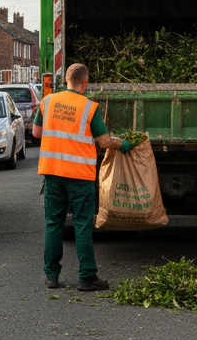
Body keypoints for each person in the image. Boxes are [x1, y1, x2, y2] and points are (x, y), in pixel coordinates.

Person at [32, 63, 131, 291]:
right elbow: (104, 141)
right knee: (82, 225)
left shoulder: (47, 102)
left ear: (66, 80)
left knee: (53, 223)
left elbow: (36, 133)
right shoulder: (89, 107)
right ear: (84, 83)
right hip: (79, 176)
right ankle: (87, 277)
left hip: (53, 173)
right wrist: (122, 144)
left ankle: (52, 276)